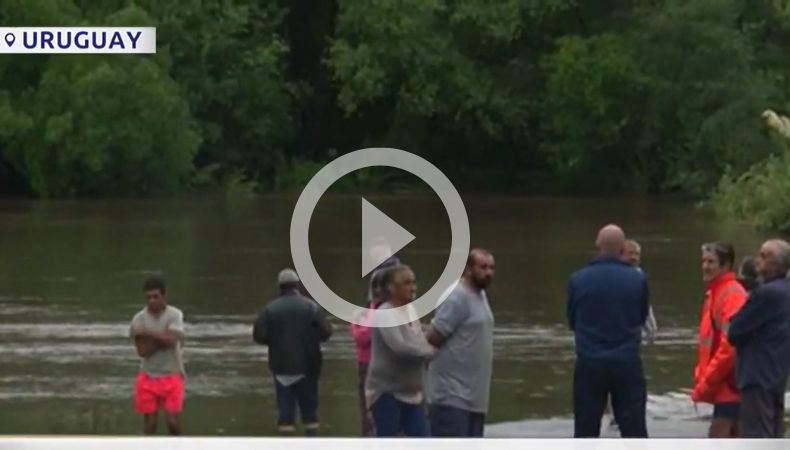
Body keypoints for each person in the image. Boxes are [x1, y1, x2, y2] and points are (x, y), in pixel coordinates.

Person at [566, 224, 650, 438]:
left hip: (590, 362)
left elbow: (572, 320)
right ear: (623, 249)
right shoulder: (638, 279)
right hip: (627, 362)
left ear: (597, 246)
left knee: (586, 427)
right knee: (634, 428)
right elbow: (641, 317)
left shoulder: (578, 279)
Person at [253, 269, 333, 436]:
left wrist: (275, 340)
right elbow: (326, 333)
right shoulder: (311, 307)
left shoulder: (270, 309)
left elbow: (259, 335)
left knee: (285, 413)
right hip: (309, 367)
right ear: (297, 285)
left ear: (279, 286)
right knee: (310, 414)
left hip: (281, 368)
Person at [425, 249, 495, 437]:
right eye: (483, 267)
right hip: (451, 398)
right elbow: (432, 338)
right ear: (468, 269)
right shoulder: (457, 296)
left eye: (491, 268)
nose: (488, 272)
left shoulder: (480, 295)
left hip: (475, 399)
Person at [728, 239, 790, 438]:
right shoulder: (785, 290)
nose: (757, 260)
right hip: (777, 371)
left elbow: (735, 331)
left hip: (757, 373)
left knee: (757, 434)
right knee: (774, 431)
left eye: (764, 256)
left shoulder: (765, 293)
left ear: (777, 263)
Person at [366, 265, 435, 437]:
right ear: (391, 287)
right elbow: (400, 347)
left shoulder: (411, 310)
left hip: (414, 393)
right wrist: (432, 352)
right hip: (387, 393)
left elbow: (418, 339)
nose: (413, 287)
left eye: (413, 282)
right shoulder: (384, 314)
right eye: (406, 283)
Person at [691, 242, 747, 438]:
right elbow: (709, 344)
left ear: (726, 265)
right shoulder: (714, 293)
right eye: (704, 261)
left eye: (711, 262)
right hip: (724, 386)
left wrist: (706, 383)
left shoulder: (731, 294)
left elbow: (728, 348)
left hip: (730, 387)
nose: (705, 266)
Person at [129, 277, 186, 435]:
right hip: (148, 375)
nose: (152, 301)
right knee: (150, 423)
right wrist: (162, 338)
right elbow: (143, 352)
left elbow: (171, 340)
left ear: (163, 296)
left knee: (172, 422)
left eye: (155, 297)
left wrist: (148, 334)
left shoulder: (174, 315)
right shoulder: (139, 319)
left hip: (172, 373)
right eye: (148, 297)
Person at [350, 262, 398, 437]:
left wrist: (356, 324)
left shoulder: (378, 310)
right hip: (381, 366)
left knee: (371, 411)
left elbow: (364, 337)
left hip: (373, 365)